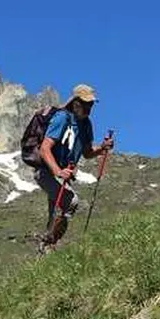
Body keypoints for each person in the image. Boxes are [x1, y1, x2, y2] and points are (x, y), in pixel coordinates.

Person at [35, 84, 114, 251]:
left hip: (63, 174)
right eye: (85, 104)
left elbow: (87, 152)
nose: (88, 108)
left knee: (55, 214)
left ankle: (46, 251)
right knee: (71, 201)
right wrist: (58, 171)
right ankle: (49, 244)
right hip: (47, 171)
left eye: (90, 104)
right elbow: (44, 149)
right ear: (75, 102)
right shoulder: (62, 118)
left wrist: (102, 148)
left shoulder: (86, 125)